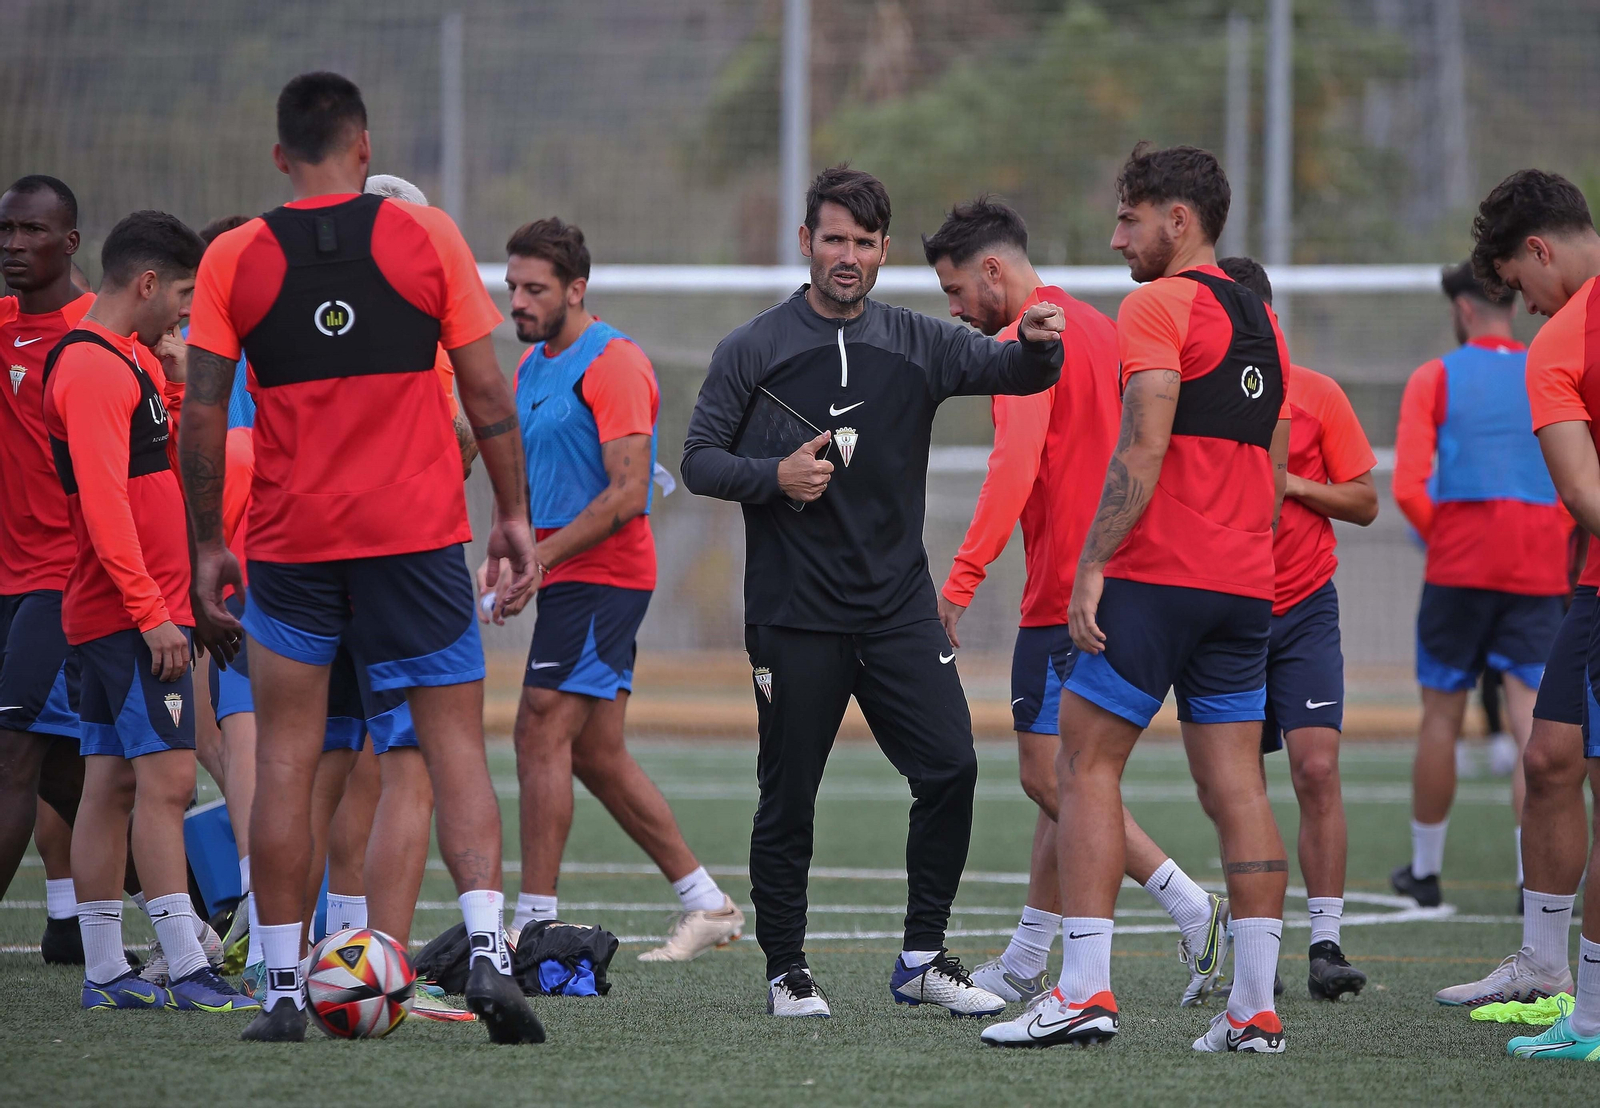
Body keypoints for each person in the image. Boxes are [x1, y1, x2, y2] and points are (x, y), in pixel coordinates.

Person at [180, 71, 543, 1044]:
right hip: (418, 539)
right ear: (364, 147)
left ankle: (286, 986)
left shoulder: (232, 258)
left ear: (279, 157)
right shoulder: (427, 237)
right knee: (451, 745)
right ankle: (488, 953)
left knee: (290, 761)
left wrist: (210, 538)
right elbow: (488, 394)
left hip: (294, 547)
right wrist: (511, 515)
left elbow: (202, 413)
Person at [681, 165, 1065, 1018]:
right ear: (805, 243)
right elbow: (698, 460)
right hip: (793, 618)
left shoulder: (918, 341)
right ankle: (788, 972)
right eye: (833, 239)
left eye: (862, 242)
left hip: (897, 611)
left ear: (884, 249)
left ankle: (922, 958)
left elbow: (1019, 375)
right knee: (789, 798)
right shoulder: (753, 348)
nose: (846, 256)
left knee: (952, 768)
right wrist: (773, 476)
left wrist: (1040, 341)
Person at [982, 143, 1292, 1054]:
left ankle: (1082, 992)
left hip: (1158, 579)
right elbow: (1275, 466)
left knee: (1080, 769)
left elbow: (1144, 443)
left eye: (1129, 218)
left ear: (1177, 220)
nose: (1118, 237)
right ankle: (1255, 1013)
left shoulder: (1156, 303)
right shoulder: (1265, 319)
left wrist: (1092, 563)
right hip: (1246, 583)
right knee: (1238, 784)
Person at [923, 196, 1229, 1009]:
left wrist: (958, 582)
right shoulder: (1101, 323)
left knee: (1050, 776)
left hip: (1064, 587)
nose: (953, 310)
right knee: (1068, 770)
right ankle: (1028, 959)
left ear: (995, 270)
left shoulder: (1026, 343)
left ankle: (1188, 904)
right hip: (1122, 576)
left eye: (956, 291)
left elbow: (1012, 469)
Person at [481, 216, 743, 960]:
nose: (519, 304)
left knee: (537, 727)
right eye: (513, 289)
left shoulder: (615, 362)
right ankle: (709, 904)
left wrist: (543, 559)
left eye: (535, 290)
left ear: (576, 289)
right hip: (565, 570)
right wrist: (511, 550)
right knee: (594, 753)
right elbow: (534, 487)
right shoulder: (533, 366)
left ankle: (532, 921)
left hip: (605, 575)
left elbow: (629, 494)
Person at [42, 209, 254, 1013]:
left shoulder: (124, 360)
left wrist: (168, 373)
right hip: (131, 618)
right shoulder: (93, 368)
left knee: (110, 785)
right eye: (184, 298)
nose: (186, 316)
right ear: (146, 284)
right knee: (166, 784)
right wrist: (153, 612)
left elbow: (154, 462)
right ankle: (184, 960)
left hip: (124, 614)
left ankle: (105, 971)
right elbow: (104, 506)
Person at [1217, 254, 1378, 1000]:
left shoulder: (1317, 394)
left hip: (1306, 607)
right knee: (1236, 782)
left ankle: (1325, 943)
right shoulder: (1196, 398)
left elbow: (1364, 499)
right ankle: (1258, 949)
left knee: (1316, 769)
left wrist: (1292, 485)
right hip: (1228, 609)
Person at [1389, 261, 1572, 910]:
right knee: (1531, 722)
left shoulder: (1435, 377)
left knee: (1441, 716)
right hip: (1541, 566)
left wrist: (1451, 539)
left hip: (1460, 566)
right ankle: (1532, 879)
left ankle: (1426, 869)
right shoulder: (1546, 367)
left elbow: (1409, 485)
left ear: (1464, 310)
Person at [1467, 169, 1600, 1060]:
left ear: (1540, 251)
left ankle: (1590, 1017)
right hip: (1590, 589)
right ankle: (1546, 970)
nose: (1527, 307)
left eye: (1520, 286)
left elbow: (1585, 493)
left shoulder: (1558, 345)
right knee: (1551, 757)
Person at [0, 175, 93, 899]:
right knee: (71, 775)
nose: (14, 245)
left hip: (62, 581)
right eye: (6, 231)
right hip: (6, 580)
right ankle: (195, 903)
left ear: (70, 243)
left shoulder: (100, 336)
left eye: (32, 231)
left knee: (11, 756)